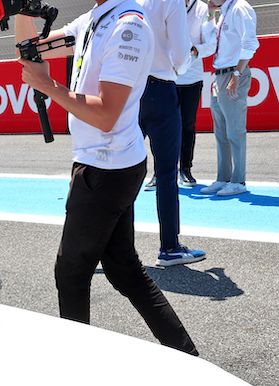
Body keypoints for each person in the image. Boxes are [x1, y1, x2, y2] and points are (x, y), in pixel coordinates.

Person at [17, 3, 199, 355]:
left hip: (107, 167)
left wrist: (48, 86)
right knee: (123, 269)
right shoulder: (94, 18)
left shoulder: (128, 28)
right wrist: (22, 10)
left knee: (70, 272)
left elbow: (106, 115)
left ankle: (78, 370)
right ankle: (187, 355)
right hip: (104, 163)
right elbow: (31, 49)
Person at [137, 0, 205, 267]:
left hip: (129, 89)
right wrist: (181, 66)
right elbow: (180, 54)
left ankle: (103, 247)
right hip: (160, 88)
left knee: (117, 169)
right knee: (167, 173)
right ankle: (169, 247)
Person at [194, 0, 258, 196]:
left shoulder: (240, 8)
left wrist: (236, 76)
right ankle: (224, 178)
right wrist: (211, 13)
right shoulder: (225, 11)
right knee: (221, 132)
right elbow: (212, 42)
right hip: (220, 74)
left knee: (235, 131)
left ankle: (238, 181)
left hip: (232, 74)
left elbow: (251, 43)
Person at [175, 0, 208, 187]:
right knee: (164, 127)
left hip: (191, 78)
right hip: (167, 77)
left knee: (187, 125)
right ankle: (161, 172)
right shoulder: (167, 5)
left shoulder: (202, 8)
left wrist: (194, 50)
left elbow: (210, 44)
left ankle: (185, 169)